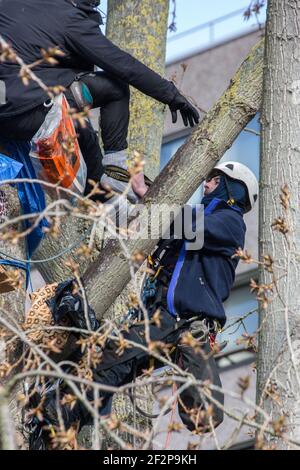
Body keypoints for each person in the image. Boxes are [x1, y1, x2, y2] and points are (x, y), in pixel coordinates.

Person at [28, 161, 258, 441]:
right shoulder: (198, 226)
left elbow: (184, 224)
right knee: (116, 369)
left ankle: (57, 411)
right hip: (165, 320)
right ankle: (59, 424)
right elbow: (151, 226)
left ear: (231, 188)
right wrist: (109, 197)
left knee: (108, 357)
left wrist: (146, 194)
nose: (205, 184)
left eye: (213, 179)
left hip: (179, 320)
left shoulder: (230, 223)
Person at [0, 0, 199, 202]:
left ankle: (107, 194)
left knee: (87, 145)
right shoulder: (69, 18)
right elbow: (123, 65)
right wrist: (170, 94)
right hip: (32, 111)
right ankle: (116, 170)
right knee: (116, 86)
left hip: (6, 112)